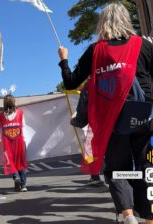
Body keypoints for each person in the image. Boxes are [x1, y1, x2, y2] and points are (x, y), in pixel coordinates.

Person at [58, 3, 153, 224]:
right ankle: (149, 218)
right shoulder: (144, 46)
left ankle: (128, 215)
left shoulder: (95, 50)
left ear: (102, 24)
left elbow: (71, 82)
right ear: (127, 20)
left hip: (113, 119)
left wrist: (64, 59)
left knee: (118, 169)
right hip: (145, 115)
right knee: (146, 167)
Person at [0, 95, 28, 192]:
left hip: (7, 143)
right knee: (21, 162)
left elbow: (0, 130)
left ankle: (16, 177)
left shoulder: (2, 115)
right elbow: (23, 126)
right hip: (19, 141)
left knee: (11, 162)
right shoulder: (20, 113)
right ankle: (23, 185)